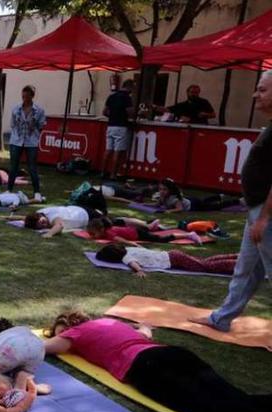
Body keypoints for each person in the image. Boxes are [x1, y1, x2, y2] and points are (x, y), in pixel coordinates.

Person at [44, 311, 272, 412]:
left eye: (59, 332)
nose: (59, 337)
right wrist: (144, 327)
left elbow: (43, 348)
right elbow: (145, 333)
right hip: (173, 354)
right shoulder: (109, 323)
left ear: (69, 328)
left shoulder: (74, 334)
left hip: (147, 367)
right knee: (236, 397)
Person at [192, 71, 272, 332]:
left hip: (265, 214)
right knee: (246, 270)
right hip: (257, 212)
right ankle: (221, 319)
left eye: (262, 90)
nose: (255, 95)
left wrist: (264, 218)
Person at [95, 243, 238, 277]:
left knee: (205, 267)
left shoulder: (126, 257)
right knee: (204, 261)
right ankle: (235, 256)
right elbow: (138, 245)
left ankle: (237, 264)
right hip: (172, 254)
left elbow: (133, 264)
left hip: (174, 259)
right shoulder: (128, 249)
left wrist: (139, 271)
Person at [8, 86, 46, 200]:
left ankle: (37, 192)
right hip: (16, 141)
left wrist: (33, 130)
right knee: (13, 166)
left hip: (31, 142)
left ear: (32, 96)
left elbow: (41, 126)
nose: (24, 98)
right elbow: (12, 124)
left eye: (27, 96)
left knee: (32, 167)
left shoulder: (39, 110)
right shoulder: (16, 109)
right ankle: (9, 190)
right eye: (23, 96)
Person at [102, 79, 135, 179]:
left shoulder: (111, 96)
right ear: (129, 87)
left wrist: (113, 116)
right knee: (118, 151)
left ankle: (102, 172)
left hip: (111, 125)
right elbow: (130, 112)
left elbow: (104, 112)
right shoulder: (127, 98)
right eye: (132, 88)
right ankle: (113, 174)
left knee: (108, 150)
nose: (133, 90)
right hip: (121, 126)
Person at [86, 217, 203, 245]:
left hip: (138, 234)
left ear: (101, 229)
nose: (91, 236)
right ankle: (154, 225)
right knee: (152, 232)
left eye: (93, 233)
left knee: (161, 239)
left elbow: (119, 239)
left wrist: (131, 243)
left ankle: (189, 234)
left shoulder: (109, 233)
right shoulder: (105, 229)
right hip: (134, 231)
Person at [152, 178, 243, 213]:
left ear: (170, 190)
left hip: (194, 205)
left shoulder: (174, 199)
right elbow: (157, 204)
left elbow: (179, 209)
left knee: (215, 206)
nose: (162, 191)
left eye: (164, 189)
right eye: (160, 189)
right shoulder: (162, 196)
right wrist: (147, 205)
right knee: (205, 201)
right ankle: (218, 196)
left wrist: (169, 211)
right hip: (191, 200)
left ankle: (237, 201)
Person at [14, 205, 100, 238]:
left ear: (40, 216)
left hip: (87, 215)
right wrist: (11, 217)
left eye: (42, 222)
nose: (44, 225)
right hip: (79, 210)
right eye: (41, 226)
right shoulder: (39, 213)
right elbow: (26, 217)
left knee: (106, 221)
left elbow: (59, 225)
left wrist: (49, 233)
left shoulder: (52, 217)